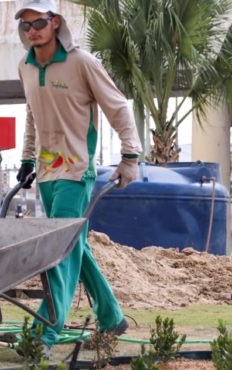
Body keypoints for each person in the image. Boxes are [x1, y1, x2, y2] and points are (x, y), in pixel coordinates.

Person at [14, 0, 143, 354]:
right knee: (76, 248)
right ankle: (111, 316)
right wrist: (26, 158)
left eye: (39, 22)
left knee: (61, 249)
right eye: (25, 25)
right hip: (45, 172)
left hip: (75, 170)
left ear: (55, 22)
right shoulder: (25, 67)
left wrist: (129, 156)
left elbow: (118, 106)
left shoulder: (82, 63)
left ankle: (44, 335)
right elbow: (31, 114)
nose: (32, 30)